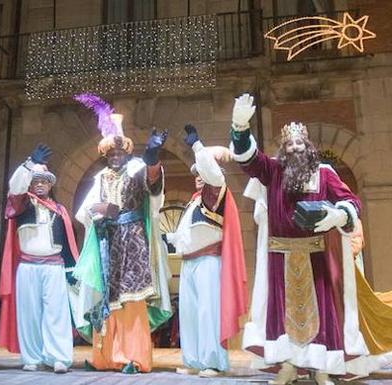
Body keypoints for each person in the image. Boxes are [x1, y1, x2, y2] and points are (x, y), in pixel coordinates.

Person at [231, 93, 392, 384]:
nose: (294, 148)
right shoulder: (273, 171)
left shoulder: (325, 173)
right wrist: (240, 129)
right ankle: (288, 366)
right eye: (289, 144)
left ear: (308, 147)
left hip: (316, 257)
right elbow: (249, 161)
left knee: (323, 315)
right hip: (280, 258)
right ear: (284, 148)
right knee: (282, 316)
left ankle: (321, 368)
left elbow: (352, 202)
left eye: (299, 143)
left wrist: (337, 215)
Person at [73, 93, 172, 374]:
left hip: (133, 239)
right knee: (108, 299)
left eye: (120, 153)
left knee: (131, 298)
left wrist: (152, 157)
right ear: (106, 155)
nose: (116, 157)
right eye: (111, 153)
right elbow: (85, 211)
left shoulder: (136, 169)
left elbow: (153, 186)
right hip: (107, 240)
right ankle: (105, 357)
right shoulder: (100, 178)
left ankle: (134, 357)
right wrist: (99, 211)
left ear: (127, 153)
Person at [166, 124, 247, 378]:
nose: (199, 175)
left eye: (202, 170)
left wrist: (197, 146)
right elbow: (186, 234)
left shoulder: (215, 191)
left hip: (209, 260)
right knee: (189, 314)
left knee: (207, 311)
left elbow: (212, 173)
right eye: (196, 172)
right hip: (190, 262)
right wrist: (166, 238)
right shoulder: (194, 201)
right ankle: (194, 360)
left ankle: (212, 361)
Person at [0, 144, 79, 374]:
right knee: (30, 314)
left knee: (57, 314)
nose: (40, 184)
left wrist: (72, 270)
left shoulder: (60, 210)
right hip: (28, 265)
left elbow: (69, 244)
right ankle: (31, 357)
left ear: (51, 184)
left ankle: (59, 357)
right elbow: (14, 186)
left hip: (54, 266)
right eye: (36, 180)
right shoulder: (21, 204)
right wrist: (29, 163)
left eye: (44, 180)